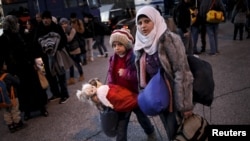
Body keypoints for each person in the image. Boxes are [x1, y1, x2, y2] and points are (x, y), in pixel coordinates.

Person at [134, 6, 194, 140]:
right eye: (140, 22)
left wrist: (185, 105)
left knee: (180, 131)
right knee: (169, 130)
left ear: (155, 21)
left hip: (175, 96)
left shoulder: (169, 39)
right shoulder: (140, 45)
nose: (143, 26)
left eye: (147, 21)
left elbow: (182, 72)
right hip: (158, 97)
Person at [107, 28, 156, 141]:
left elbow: (140, 75)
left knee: (142, 116)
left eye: (120, 44)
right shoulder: (113, 59)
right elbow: (110, 74)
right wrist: (110, 88)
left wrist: (126, 73)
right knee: (122, 122)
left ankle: (150, 131)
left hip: (134, 95)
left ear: (127, 45)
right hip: (120, 96)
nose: (117, 48)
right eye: (114, 45)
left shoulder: (133, 57)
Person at [0, 15, 49, 120]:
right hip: (21, 67)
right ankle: (33, 110)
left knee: (26, 89)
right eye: (15, 22)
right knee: (28, 89)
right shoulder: (9, 37)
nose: (18, 24)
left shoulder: (16, 34)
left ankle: (33, 110)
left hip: (23, 67)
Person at [33, 10, 73, 104]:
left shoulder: (56, 27)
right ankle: (56, 93)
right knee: (49, 76)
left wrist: (54, 48)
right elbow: (35, 43)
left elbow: (63, 40)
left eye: (47, 18)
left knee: (61, 75)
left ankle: (64, 94)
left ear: (50, 19)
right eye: (44, 18)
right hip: (44, 57)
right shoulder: (38, 29)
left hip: (57, 56)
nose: (45, 20)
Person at [59, 18, 84, 85]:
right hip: (69, 51)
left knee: (77, 63)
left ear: (68, 23)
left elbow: (69, 39)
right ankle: (72, 79)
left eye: (65, 23)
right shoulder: (61, 31)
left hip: (75, 49)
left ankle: (81, 75)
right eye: (62, 24)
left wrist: (64, 33)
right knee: (70, 65)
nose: (64, 25)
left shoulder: (72, 30)